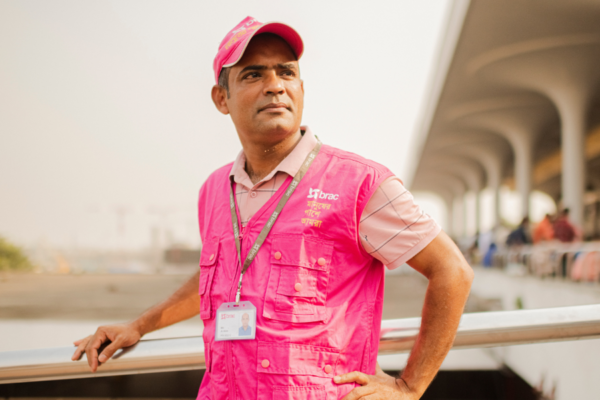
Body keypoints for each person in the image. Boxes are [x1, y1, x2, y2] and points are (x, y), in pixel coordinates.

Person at [71, 17, 473, 400]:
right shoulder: (215, 189)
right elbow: (222, 276)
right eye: (253, 74)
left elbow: (452, 271)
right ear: (221, 98)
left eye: (286, 72)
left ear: (301, 87)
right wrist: (139, 326)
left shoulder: (359, 183)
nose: (275, 86)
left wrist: (409, 386)